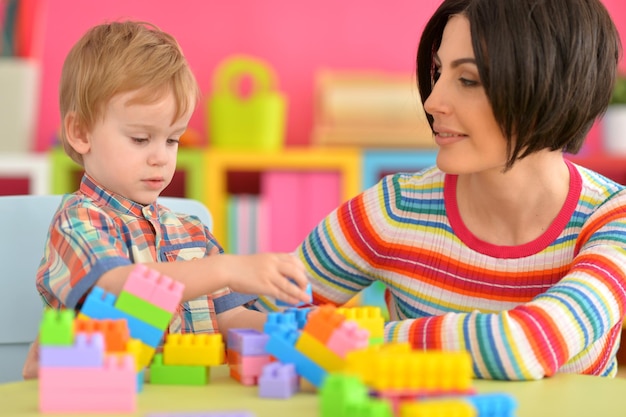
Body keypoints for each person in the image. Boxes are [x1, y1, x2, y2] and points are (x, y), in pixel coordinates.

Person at [253, 0, 626, 380]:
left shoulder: (614, 219)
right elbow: (254, 320)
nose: (432, 102)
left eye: (468, 80)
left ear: (550, 86)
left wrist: (350, 341)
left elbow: (524, 346)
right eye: (437, 72)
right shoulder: (395, 208)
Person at [22, 20, 310, 379]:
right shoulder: (79, 221)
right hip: (106, 398)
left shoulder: (192, 232)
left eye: (172, 139)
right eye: (141, 139)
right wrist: (226, 269)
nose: (161, 156)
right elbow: (114, 286)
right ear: (81, 133)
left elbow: (231, 319)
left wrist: (296, 335)